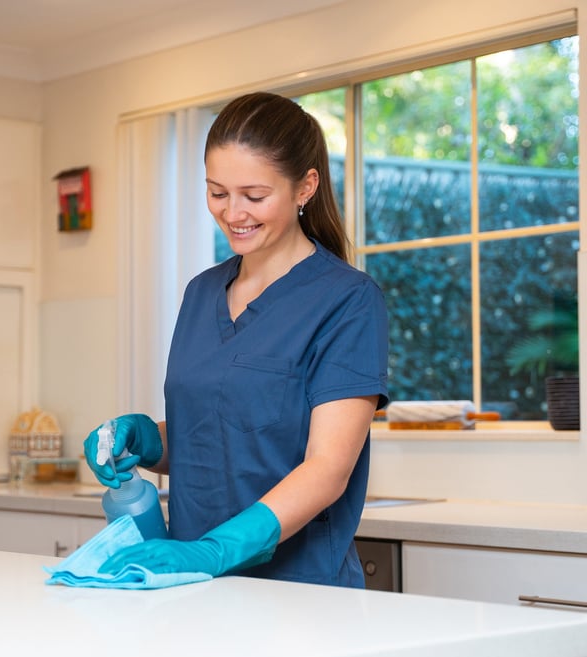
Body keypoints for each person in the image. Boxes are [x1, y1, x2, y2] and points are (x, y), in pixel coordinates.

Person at [84, 91, 389, 587]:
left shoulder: (348, 301)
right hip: (188, 585)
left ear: (305, 186)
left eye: (254, 195)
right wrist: (146, 440)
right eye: (217, 192)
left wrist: (214, 551)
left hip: (299, 595)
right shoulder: (201, 293)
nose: (233, 213)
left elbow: (328, 470)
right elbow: (219, 437)